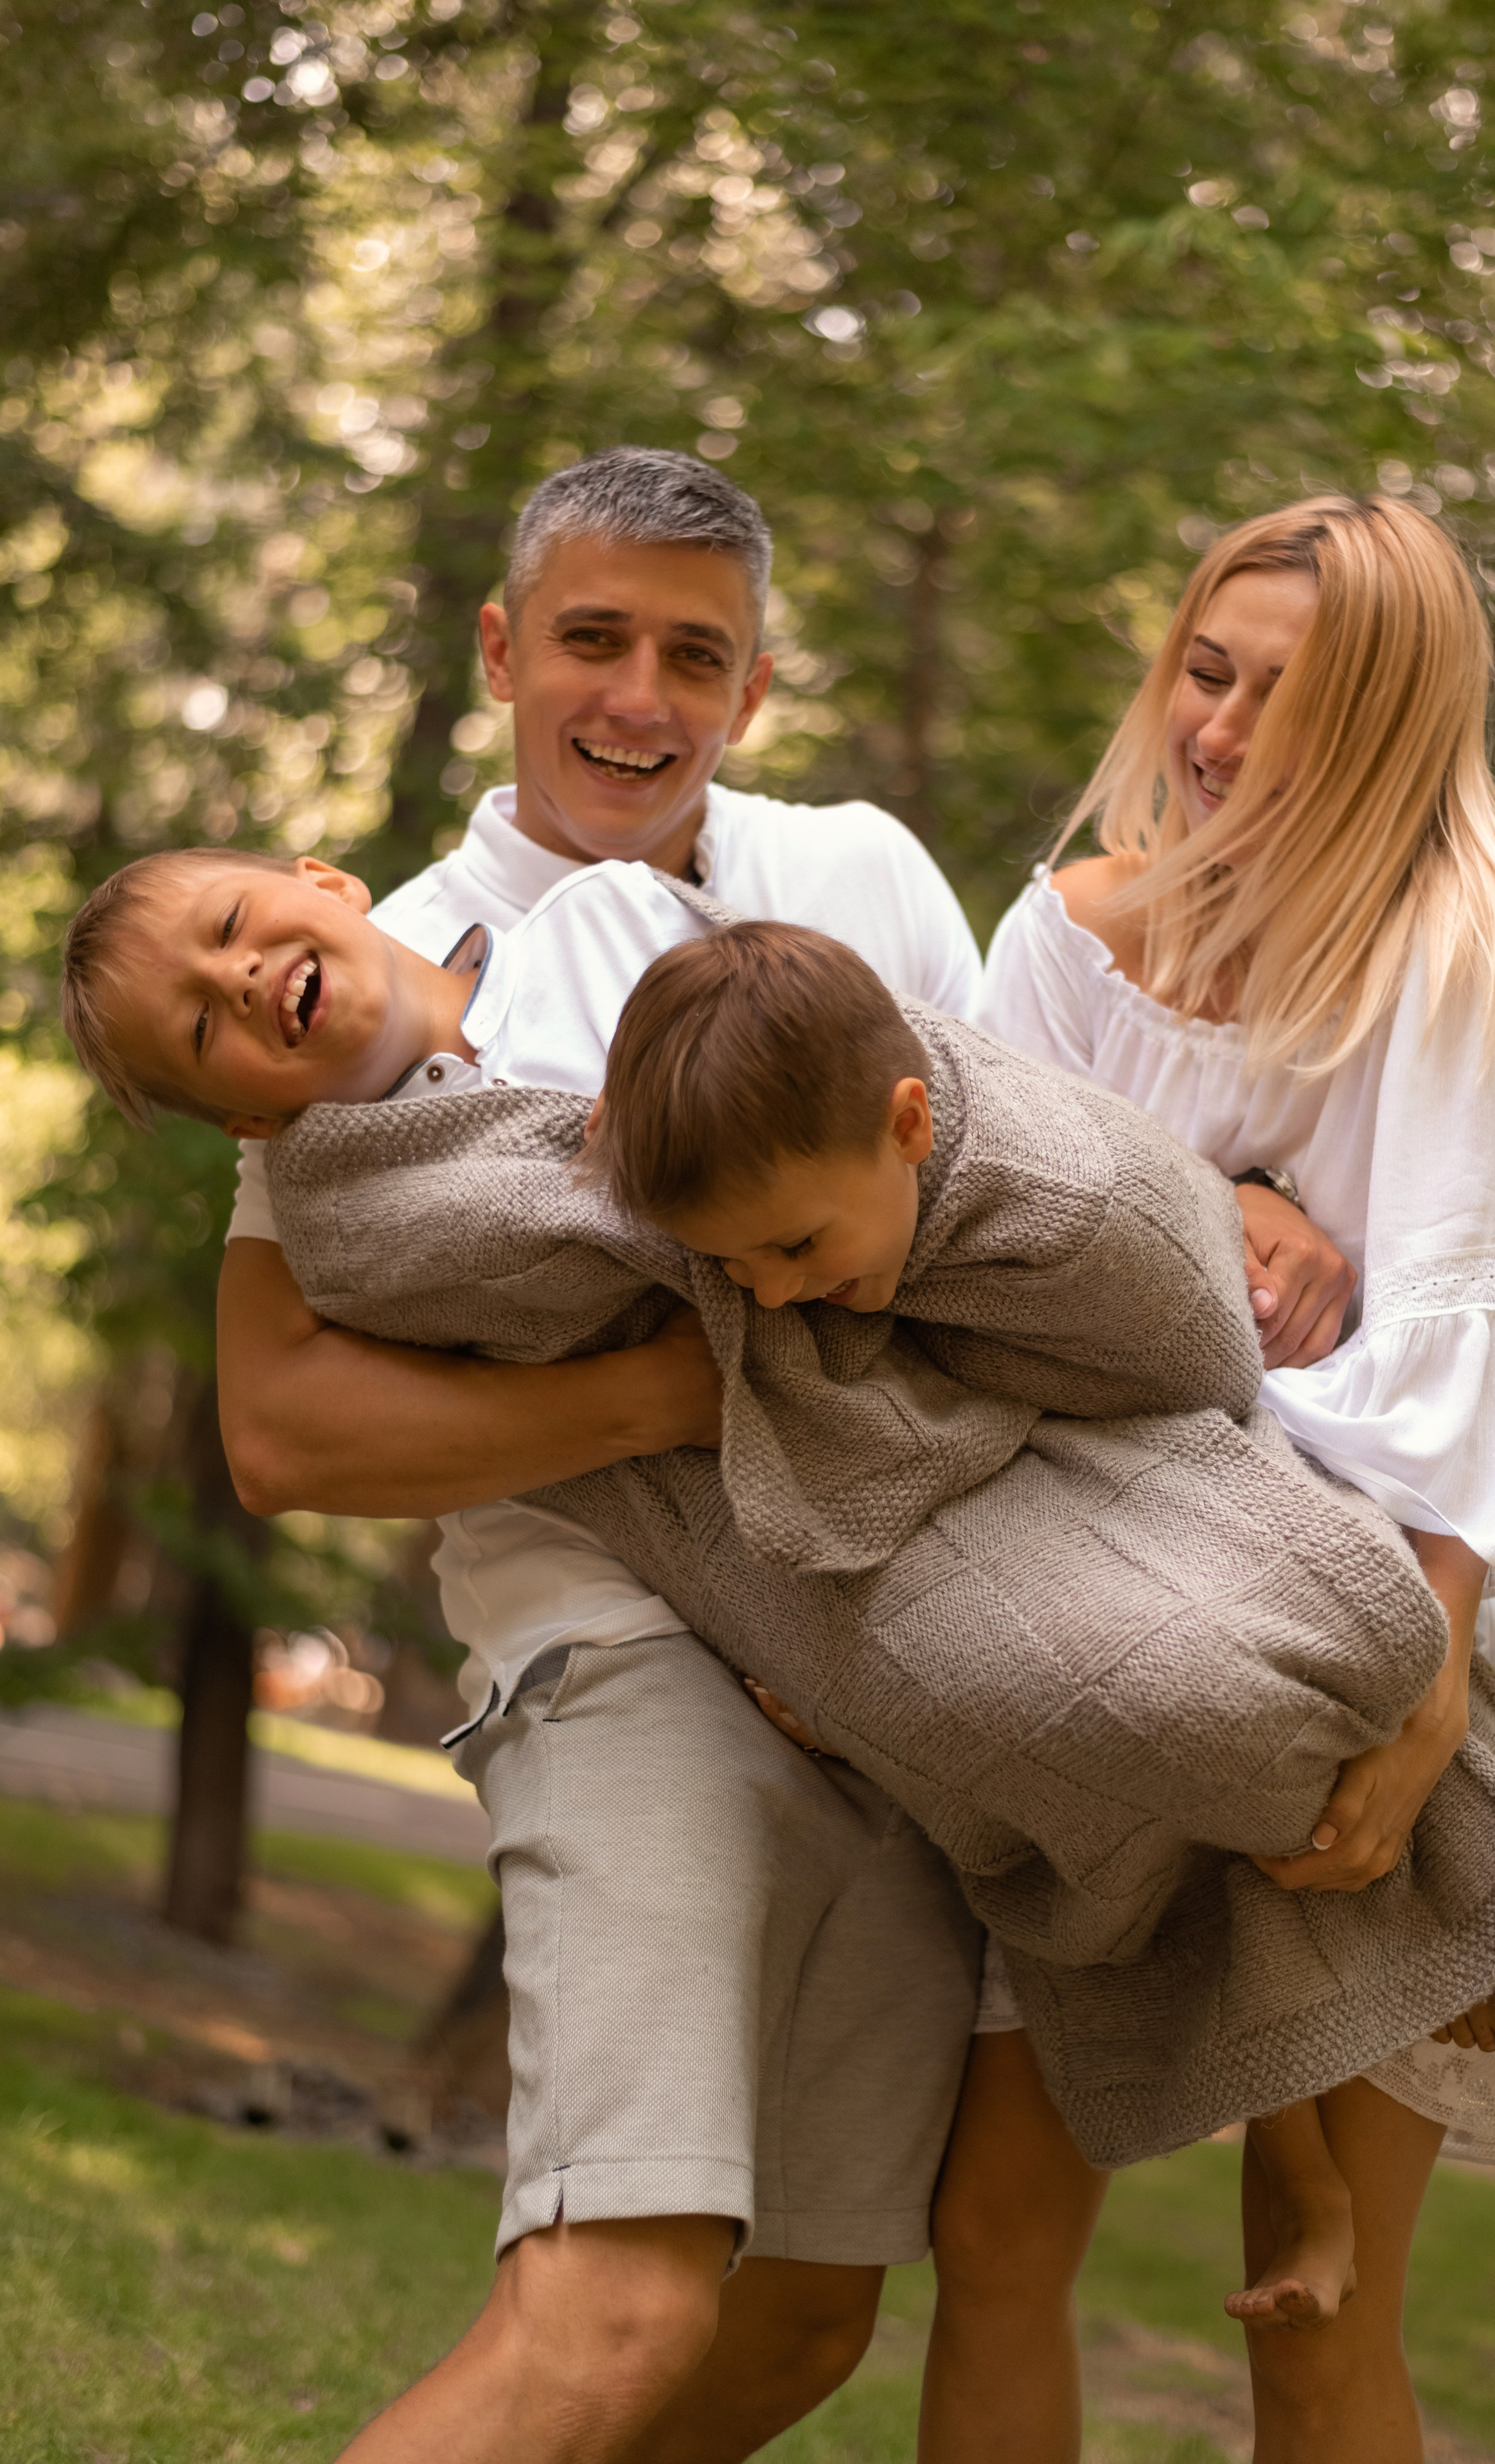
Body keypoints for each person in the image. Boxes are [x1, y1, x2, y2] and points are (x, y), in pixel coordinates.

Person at [62, 846, 1495, 2436]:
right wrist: (747, 1244)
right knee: (1175, 1703)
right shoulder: (364, 1203)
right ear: (250, 1122)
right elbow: (645, 1236)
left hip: (968, 1439)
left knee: (1271, 1629)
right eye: (199, 1028)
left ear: (312, 881)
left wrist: (1211, 1213)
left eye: (235, 927)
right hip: (785, 1546)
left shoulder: (612, 923)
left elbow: (866, 1108)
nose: (241, 979)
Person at [192, 445, 995, 2464]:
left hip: (901, 1676)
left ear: (757, 684)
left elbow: (1003, 1205)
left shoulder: (862, 878)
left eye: (693, 656)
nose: (639, 697)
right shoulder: (358, 975)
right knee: (614, 2313)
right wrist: (670, 1397)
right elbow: (281, 1421)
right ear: (499, 647)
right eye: (593, 640)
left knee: (803, 2320)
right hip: (624, 1660)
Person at [977, 490, 1495, 2464]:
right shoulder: (1068, 937)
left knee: (1313, 2289)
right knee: (995, 2224)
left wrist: (1432, 1684)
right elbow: (969, 1248)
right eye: (1209, 672)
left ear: (1391, 722)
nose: (1224, 732)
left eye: (1294, 697)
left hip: (1394, 1593)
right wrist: (1221, 1202)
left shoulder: (1480, 926)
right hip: (1092, 1585)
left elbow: (1456, 1299)